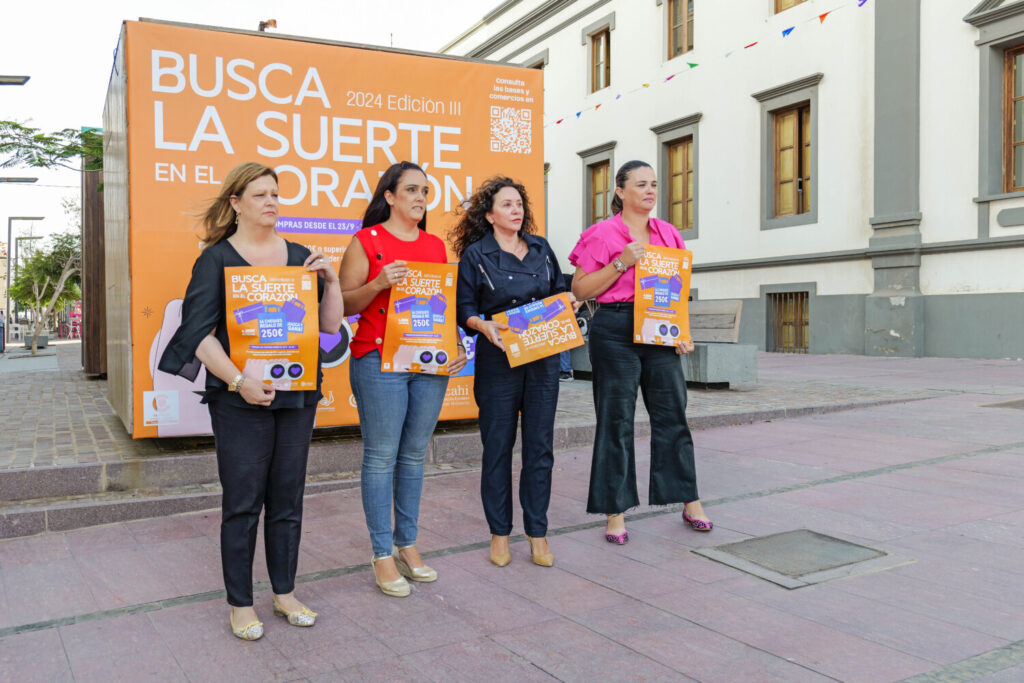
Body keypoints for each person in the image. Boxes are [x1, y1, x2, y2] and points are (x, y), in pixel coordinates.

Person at [159, 162, 344, 640]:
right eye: (259, 194)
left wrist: (334, 282)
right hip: (239, 401)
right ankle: (240, 603)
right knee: (243, 502)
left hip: (296, 397)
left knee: (288, 499)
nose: (271, 202)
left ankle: (284, 593)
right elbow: (198, 335)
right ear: (236, 203)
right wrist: (239, 380)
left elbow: (327, 328)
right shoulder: (216, 260)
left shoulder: (301, 257)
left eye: (275, 195)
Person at [339, 161, 468, 597]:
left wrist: (456, 346)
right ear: (389, 196)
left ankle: (407, 545)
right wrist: (377, 284)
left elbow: (443, 306)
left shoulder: (434, 245)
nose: (420, 198)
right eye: (411, 190)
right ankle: (380, 553)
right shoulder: (367, 241)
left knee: (414, 456)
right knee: (381, 456)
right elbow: (340, 305)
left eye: (425, 192)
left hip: (428, 361)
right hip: (378, 360)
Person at [569, 160, 712, 544]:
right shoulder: (602, 234)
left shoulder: (668, 233)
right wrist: (622, 262)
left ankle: (689, 499)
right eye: (640, 184)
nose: (650, 191)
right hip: (614, 327)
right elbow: (581, 291)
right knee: (615, 420)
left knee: (672, 415)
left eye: (653, 184)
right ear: (620, 191)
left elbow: (678, 289)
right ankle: (614, 512)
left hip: (659, 326)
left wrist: (682, 330)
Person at [452, 176, 574, 568]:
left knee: (540, 449)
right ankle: (499, 534)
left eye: (519, 204)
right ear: (489, 215)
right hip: (497, 360)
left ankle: (537, 533)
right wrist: (480, 325)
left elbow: (558, 290)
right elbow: (464, 307)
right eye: (506, 204)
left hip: (542, 358)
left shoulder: (541, 248)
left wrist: (567, 298)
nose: (516, 210)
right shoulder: (476, 255)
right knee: (498, 448)